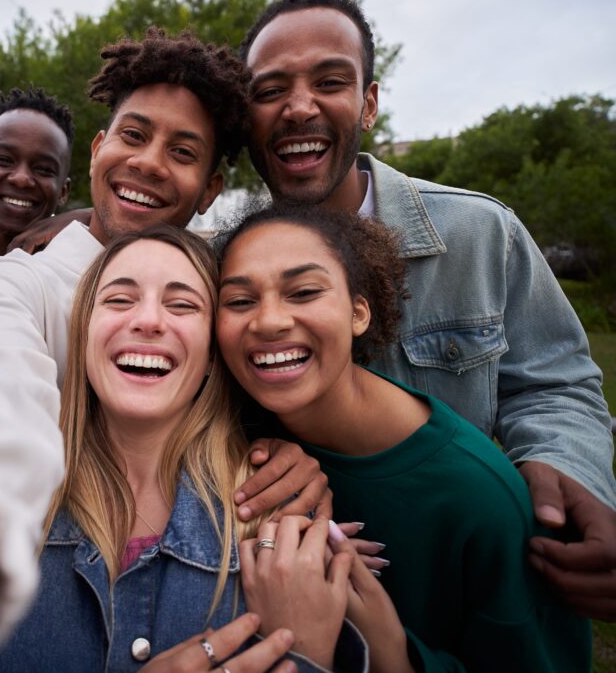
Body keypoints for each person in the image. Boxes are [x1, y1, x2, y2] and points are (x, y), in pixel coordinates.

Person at [0, 27, 336, 666]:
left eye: (182, 152)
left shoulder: (226, 292)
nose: (149, 162)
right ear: (99, 149)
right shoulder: (16, 280)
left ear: (210, 189)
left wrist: (291, 454)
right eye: (133, 135)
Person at [239, 0, 616, 618]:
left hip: (469, 599)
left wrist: (565, 463)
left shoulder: (480, 234)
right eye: (270, 88)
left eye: (330, 80)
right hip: (298, 611)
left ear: (369, 103)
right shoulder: (223, 263)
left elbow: (557, 381)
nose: (299, 106)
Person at [215, 204, 591, 671]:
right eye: (239, 301)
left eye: (304, 291)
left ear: (358, 313)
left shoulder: (481, 503)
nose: (269, 321)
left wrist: (393, 655)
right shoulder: (232, 430)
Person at [0, 225, 362, 672]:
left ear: (212, 355)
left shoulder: (283, 518)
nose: (148, 320)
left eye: (182, 305)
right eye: (119, 300)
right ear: (83, 334)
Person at [0, 86, 74, 259]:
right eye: (4, 160)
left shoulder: (80, 273)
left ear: (63, 191)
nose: (21, 179)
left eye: (43, 169)